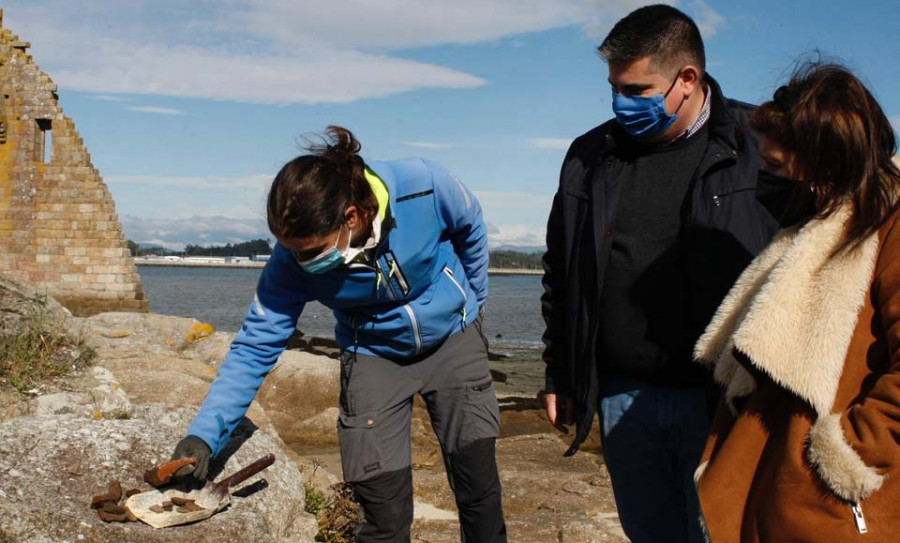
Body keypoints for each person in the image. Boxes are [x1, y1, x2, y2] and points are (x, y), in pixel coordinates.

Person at [170, 126, 507, 542]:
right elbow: (255, 345)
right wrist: (204, 435)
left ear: (351, 217)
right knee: (381, 513)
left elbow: (470, 227)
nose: (299, 261)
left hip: (455, 341)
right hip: (372, 355)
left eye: (311, 251)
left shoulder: (423, 184)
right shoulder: (291, 264)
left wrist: (473, 307)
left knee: (479, 492)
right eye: (290, 250)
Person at [540, 5, 780, 542]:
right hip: (624, 394)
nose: (622, 103)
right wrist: (561, 374)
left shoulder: (761, 145)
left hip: (725, 399)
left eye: (638, 89)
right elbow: (562, 272)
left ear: (687, 78)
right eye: (615, 88)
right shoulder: (588, 156)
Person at [693, 62, 900, 542]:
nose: (764, 180)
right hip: (775, 487)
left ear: (825, 164)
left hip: (831, 505)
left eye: (775, 168)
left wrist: (847, 452)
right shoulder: (815, 226)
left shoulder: (886, 225)